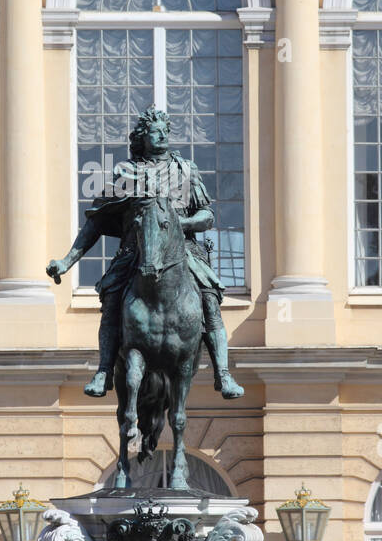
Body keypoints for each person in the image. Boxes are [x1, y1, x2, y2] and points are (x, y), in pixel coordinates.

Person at [47, 106, 244, 399]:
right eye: (155, 130)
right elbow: (97, 222)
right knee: (113, 295)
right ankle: (103, 371)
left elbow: (207, 216)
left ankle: (222, 373)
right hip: (135, 251)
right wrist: (67, 261)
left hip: (183, 250)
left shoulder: (185, 169)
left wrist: (181, 223)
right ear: (143, 137)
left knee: (209, 296)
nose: (162, 135)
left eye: (166, 130)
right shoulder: (126, 171)